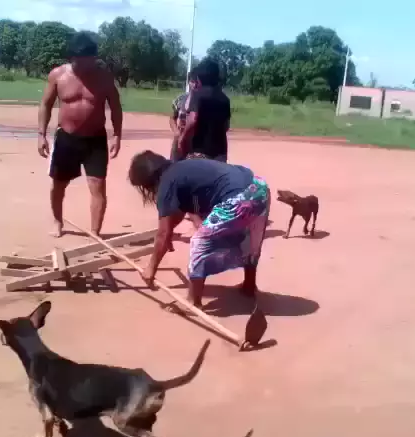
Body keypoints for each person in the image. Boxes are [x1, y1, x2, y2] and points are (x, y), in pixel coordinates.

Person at [128, 151, 271, 308]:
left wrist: (150, 269)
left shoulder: (167, 183)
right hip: (258, 186)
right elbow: (178, 212)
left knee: (199, 242)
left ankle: (193, 301)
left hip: (240, 197)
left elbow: (162, 233)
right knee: (251, 237)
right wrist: (169, 231)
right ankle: (249, 286)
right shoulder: (180, 169)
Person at [38, 32, 123, 238]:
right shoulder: (58, 75)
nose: (85, 65)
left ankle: (95, 232)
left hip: (95, 139)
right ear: (72, 57)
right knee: (59, 184)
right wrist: (41, 134)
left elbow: (115, 106)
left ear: (94, 58)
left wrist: (117, 135)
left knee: (97, 185)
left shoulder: (104, 77)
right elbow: (46, 104)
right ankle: (57, 221)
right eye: (80, 61)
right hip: (66, 138)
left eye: (89, 61)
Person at [177, 58, 231, 162]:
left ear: (200, 77)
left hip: (200, 152)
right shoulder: (225, 99)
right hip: (220, 153)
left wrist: (182, 138)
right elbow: (226, 126)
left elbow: (193, 120)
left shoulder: (197, 95)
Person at [169, 69, 198, 161]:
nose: (194, 85)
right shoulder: (181, 99)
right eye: (192, 81)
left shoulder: (204, 102)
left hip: (195, 143)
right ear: (188, 82)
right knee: (174, 165)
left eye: (197, 82)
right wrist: (176, 133)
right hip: (179, 140)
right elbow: (172, 118)